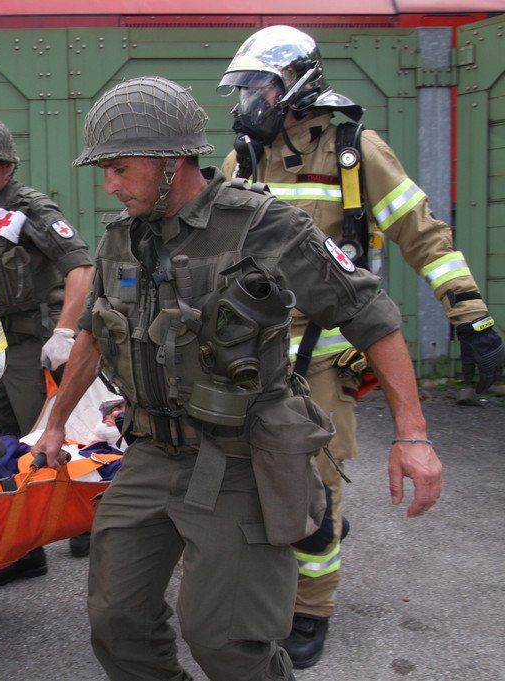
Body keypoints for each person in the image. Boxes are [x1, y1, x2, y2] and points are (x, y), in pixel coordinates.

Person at [31, 76, 444, 681]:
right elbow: (95, 332)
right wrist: (56, 422)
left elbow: (369, 314)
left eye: (119, 168)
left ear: (171, 162)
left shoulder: (265, 225)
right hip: (150, 453)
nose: (109, 185)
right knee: (117, 623)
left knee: (225, 641)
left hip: (239, 459)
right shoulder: (123, 238)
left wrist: (413, 435)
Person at [216, 25, 504, 669]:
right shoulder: (242, 160)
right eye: (246, 89)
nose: (251, 101)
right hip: (251, 356)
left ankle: (312, 608)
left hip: (322, 354)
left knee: (318, 486)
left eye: (262, 86)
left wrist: (470, 316)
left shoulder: (354, 151)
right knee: (253, 480)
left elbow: (423, 234)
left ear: (298, 85)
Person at [0, 118, 94, 622]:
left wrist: (66, 332)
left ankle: (88, 522)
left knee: (45, 440)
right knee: (8, 442)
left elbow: (81, 267)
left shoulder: (33, 209)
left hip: (35, 343)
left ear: (8, 166)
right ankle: (28, 551)